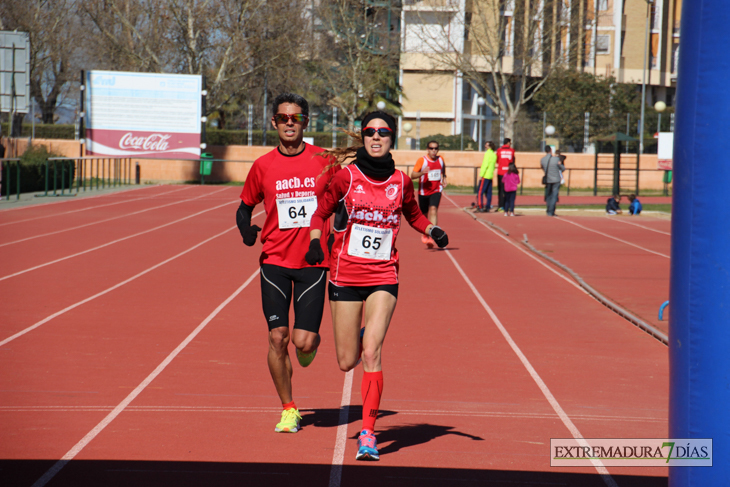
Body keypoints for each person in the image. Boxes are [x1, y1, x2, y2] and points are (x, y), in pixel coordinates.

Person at [306, 111, 449, 461]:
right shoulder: (345, 177)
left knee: (372, 352)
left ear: (392, 138)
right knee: (346, 361)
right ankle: (355, 337)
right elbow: (319, 214)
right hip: (344, 275)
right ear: (363, 136)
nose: (375, 137)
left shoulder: (402, 180)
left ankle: (368, 435)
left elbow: (413, 214)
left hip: (384, 275)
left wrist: (431, 230)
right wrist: (314, 241)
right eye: (369, 131)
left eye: (383, 132)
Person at [236, 93, 336, 434]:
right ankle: (289, 408)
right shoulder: (263, 165)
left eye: (295, 118)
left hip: (313, 262)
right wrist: (245, 230)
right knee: (277, 338)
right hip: (275, 261)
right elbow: (244, 205)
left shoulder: (325, 160)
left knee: (303, 342)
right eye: (282, 118)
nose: (289, 123)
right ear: (274, 122)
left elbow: (344, 202)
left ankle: (310, 344)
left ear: (305, 122)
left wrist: (334, 236)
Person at [410, 140, 447, 248]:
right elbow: (412, 175)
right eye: (431, 148)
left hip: (436, 189)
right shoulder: (422, 160)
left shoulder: (441, 159)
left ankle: (433, 235)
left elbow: (443, 170)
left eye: (436, 148)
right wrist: (422, 172)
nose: (433, 151)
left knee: (433, 210)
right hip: (423, 192)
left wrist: (444, 178)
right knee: (424, 214)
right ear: (428, 149)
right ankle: (425, 232)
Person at [541, 147, 565, 216]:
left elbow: (543, 168)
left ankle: (548, 210)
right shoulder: (556, 159)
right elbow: (563, 168)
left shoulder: (542, 160)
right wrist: (560, 164)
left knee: (548, 195)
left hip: (548, 179)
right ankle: (551, 211)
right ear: (551, 151)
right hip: (556, 179)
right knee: (554, 195)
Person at [495, 138, 516, 212]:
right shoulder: (512, 150)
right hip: (509, 173)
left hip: (500, 172)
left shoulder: (499, 150)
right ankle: (509, 205)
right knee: (509, 190)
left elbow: (497, 160)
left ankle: (501, 206)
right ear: (507, 143)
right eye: (510, 143)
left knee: (501, 190)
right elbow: (513, 161)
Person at [477, 141, 496, 212]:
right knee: (488, 193)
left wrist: (481, 175)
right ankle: (488, 206)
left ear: (489, 146)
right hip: (490, 175)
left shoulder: (487, 154)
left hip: (485, 175)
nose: (485, 146)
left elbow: (485, 165)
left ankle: (480, 206)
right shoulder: (494, 154)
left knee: (480, 192)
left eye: (486, 145)